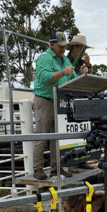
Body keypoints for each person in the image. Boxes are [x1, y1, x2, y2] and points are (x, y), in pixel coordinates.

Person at [32, 31, 77, 179]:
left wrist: (82, 73)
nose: (63, 49)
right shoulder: (44, 58)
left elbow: (74, 76)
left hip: (58, 100)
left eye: (64, 46)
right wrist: (63, 73)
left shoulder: (64, 59)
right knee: (42, 135)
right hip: (45, 99)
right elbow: (44, 78)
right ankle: (37, 168)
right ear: (51, 44)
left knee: (57, 137)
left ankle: (55, 168)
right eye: (60, 46)